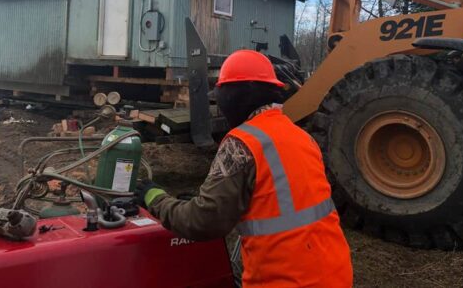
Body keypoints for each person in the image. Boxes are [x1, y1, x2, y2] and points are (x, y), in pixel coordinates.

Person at [135, 50, 353, 288]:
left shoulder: (242, 143)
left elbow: (202, 222)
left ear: (232, 96)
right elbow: (278, 200)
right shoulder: (301, 136)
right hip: (335, 274)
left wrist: (155, 198)